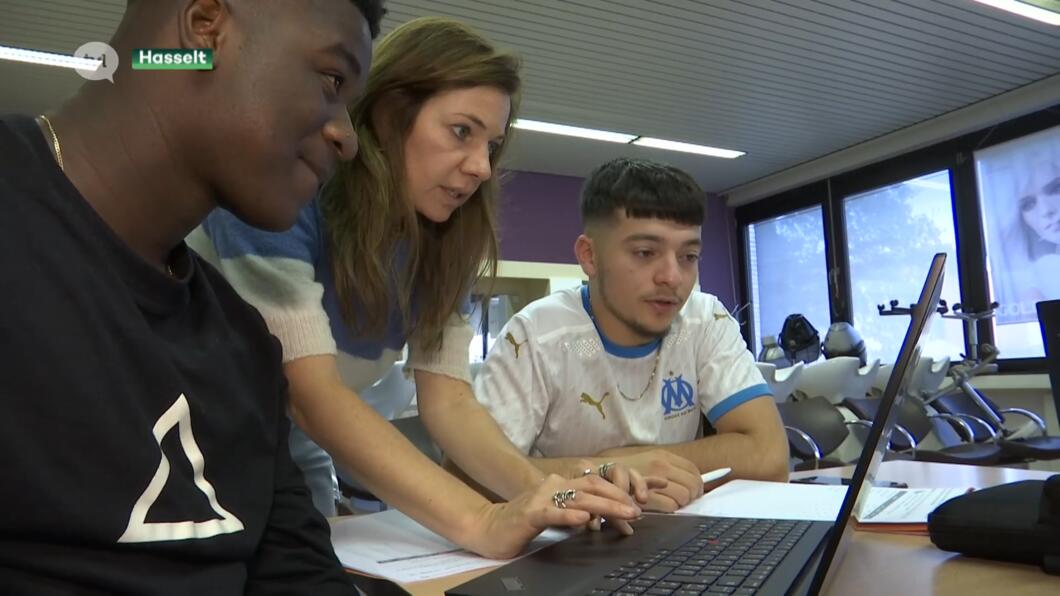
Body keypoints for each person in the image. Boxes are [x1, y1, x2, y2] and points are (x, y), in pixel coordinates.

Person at [189, 16, 652, 559]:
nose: (481, 166)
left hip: (281, 446)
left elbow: (450, 402)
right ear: (389, 116)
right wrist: (483, 520)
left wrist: (548, 497)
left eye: (492, 145)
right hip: (171, 438)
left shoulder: (444, 243)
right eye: (462, 132)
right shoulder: (288, 187)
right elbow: (310, 391)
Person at [0, 0, 384, 592]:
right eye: (332, 80)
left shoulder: (244, 346)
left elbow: (297, 574)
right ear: (206, 27)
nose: (348, 138)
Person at [470, 157, 791, 513]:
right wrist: (604, 473)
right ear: (590, 256)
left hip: (674, 536)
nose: (672, 276)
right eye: (645, 252)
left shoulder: (704, 320)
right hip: (564, 543)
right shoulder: (536, 337)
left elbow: (770, 455)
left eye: (689, 255)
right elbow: (467, 479)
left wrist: (629, 461)